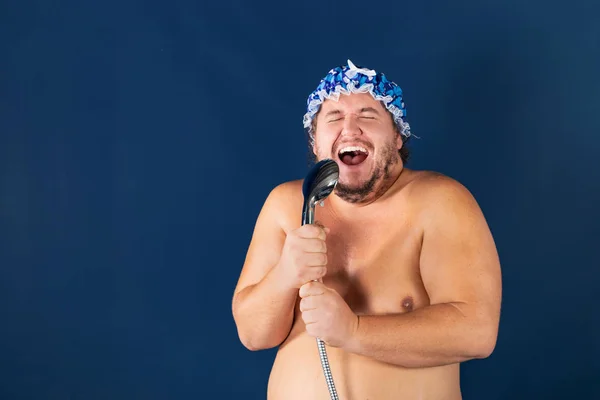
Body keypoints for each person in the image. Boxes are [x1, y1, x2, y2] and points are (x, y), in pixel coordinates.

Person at [231, 60, 502, 399]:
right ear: (316, 142)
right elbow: (253, 335)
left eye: (367, 115)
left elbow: (476, 331)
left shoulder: (439, 201)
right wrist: (286, 272)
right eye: (334, 118)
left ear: (397, 136)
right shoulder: (286, 205)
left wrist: (353, 331)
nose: (350, 128)